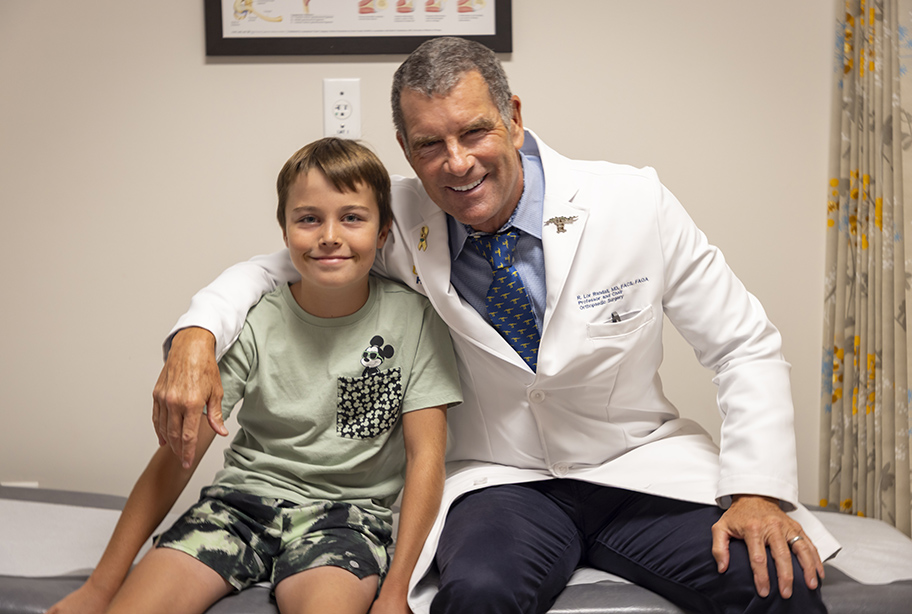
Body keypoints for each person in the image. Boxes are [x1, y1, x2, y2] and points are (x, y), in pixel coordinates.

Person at [153, 38, 839, 614]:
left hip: (638, 473)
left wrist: (755, 491)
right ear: (405, 147)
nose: (456, 162)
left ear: (511, 116)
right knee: (477, 595)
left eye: (474, 130)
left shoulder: (632, 201)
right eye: (430, 144)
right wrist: (194, 339)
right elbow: (272, 269)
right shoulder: (396, 216)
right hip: (501, 483)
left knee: (779, 583)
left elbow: (743, 345)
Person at [48, 137, 462, 614]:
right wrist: (100, 588)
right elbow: (178, 456)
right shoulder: (255, 320)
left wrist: (395, 595)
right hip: (237, 508)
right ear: (285, 232)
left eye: (352, 217)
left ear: (384, 231)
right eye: (309, 219)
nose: (329, 235)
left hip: (345, 521)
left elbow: (425, 459)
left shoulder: (417, 321)